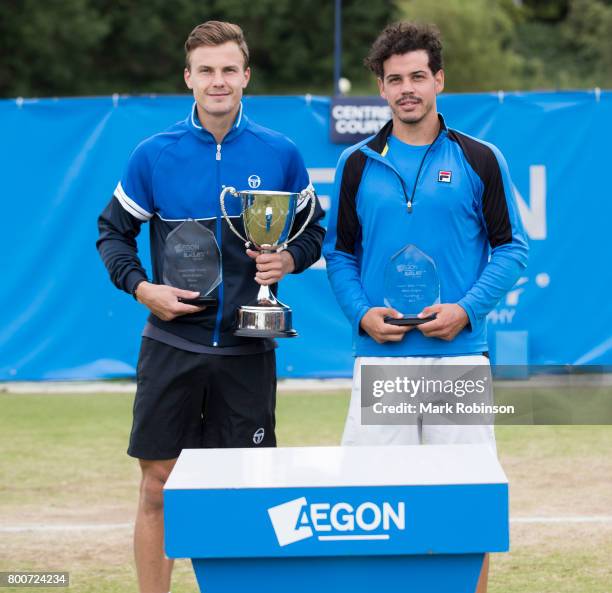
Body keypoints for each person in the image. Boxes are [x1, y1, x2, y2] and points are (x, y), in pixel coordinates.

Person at [96, 20, 324, 593]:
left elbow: (313, 232)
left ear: (245, 76)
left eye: (228, 70)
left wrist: (289, 261)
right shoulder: (154, 155)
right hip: (172, 344)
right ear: (188, 79)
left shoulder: (281, 153)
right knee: (158, 485)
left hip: (248, 347)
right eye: (206, 71)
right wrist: (143, 289)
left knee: (248, 490)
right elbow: (112, 232)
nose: (217, 81)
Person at [323, 22, 528, 592]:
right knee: (374, 505)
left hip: (457, 359)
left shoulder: (480, 159)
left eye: (418, 76)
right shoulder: (357, 165)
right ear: (382, 90)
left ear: (439, 79)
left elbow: (512, 249)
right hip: (382, 363)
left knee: (467, 504)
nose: (407, 88)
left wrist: (466, 310)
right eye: (395, 79)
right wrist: (362, 314)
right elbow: (339, 256)